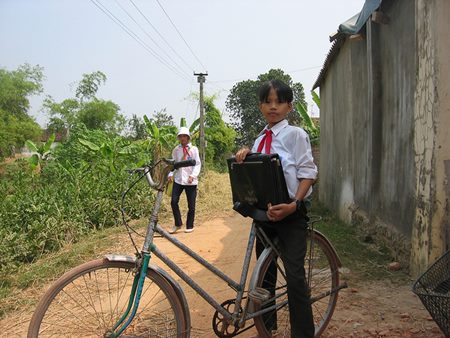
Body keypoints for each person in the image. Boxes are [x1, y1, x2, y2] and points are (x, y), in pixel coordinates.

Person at [235, 79, 317, 338]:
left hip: (291, 215)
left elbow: (308, 174)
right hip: (265, 216)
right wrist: (246, 153)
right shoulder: (259, 140)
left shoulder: (296, 135)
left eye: (279, 101)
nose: (273, 107)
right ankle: (266, 327)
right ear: (260, 106)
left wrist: (295, 205)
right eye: (267, 102)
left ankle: (303, 333)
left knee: (294, 277)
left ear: (289, 106)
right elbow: (258, 174)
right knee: (265, 277)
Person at [168, 127, 201, 234]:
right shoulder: (176, 150)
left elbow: (197, 164)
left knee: (191, 205)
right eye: (180, 136)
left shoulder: (194, 149)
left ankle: (190, 225)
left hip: (190, 181)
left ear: (188, 137)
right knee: (173, 201)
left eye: (184, 136)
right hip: (178, 179)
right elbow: (173, 164)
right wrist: (170, 174)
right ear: (179, 138)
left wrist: (193, 175)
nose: (182, 138)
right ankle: (178, 223)